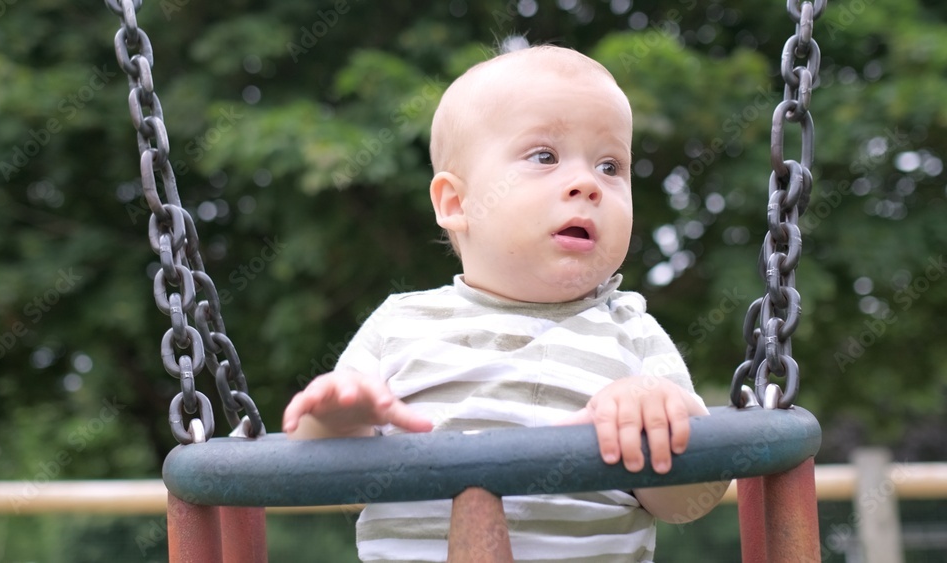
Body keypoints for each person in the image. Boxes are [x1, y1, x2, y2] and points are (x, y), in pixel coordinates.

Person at [283, 45, 724, 562]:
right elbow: (329, 477)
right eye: (545, 156)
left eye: (611, 165)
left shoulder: (634, 334)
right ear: (456, 202)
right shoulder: (400, 324)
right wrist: (337, 420)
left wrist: (659, 419)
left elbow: (688, 502)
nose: (587, 184)